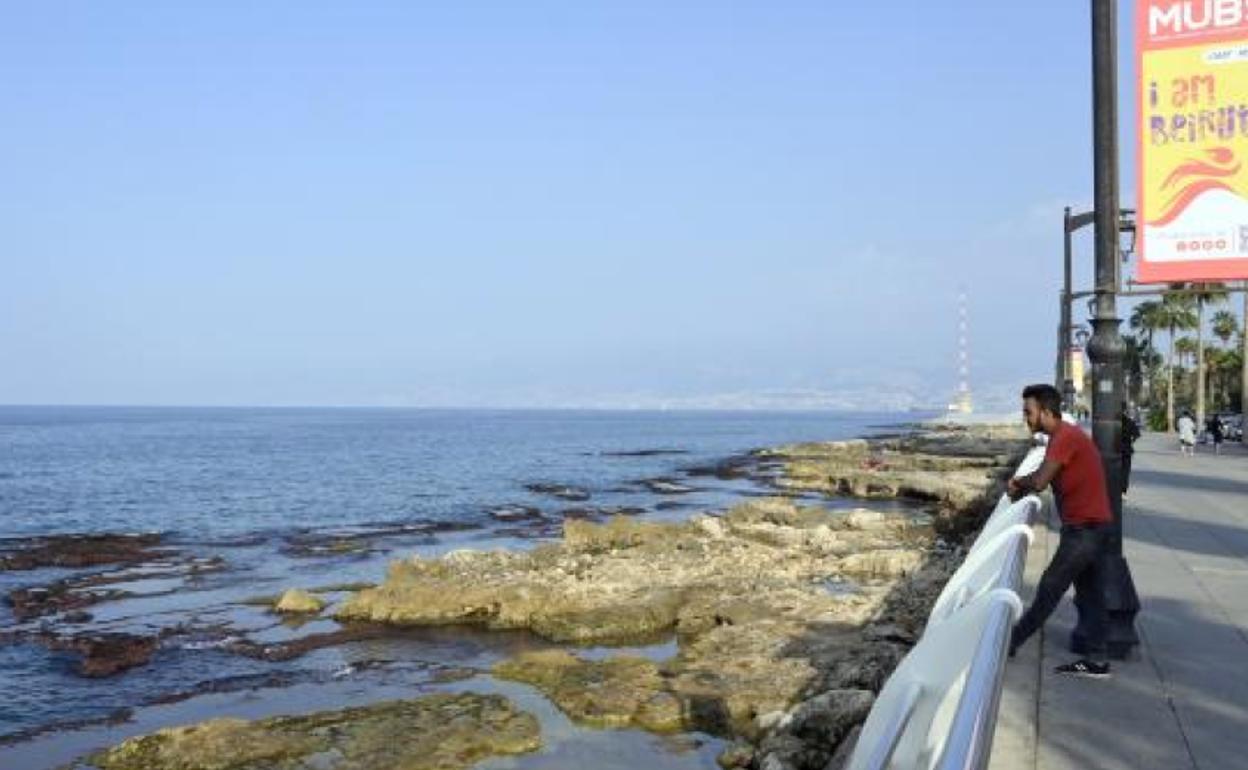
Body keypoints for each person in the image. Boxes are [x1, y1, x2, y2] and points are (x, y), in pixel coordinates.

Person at [1007, 383, 1112, 678]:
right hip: (1094, 526)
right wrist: (1022, 483)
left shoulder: (1064, 438)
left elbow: (1041, 481)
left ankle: (1010, 642)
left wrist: (1017, 483)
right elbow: (1045, 473)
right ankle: (1097, 660)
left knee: (1050, 588)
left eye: (1028, 412)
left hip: (1084, 530)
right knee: (1090, 595)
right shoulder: (1065, 436)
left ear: (1046, 412)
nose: (1025, 418)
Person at [1121, 409, 1140, 496]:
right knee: (1125, 471)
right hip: (1126, 450)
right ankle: (1123, 490)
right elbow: (1137, 435)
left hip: (1114, 450)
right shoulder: (1130, 422)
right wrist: (1131, 440)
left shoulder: (1112, 422)